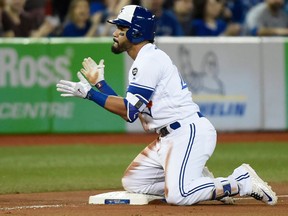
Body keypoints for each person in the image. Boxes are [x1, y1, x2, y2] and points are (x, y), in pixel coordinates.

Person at [56, 5, 278, 206]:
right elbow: (128, 110)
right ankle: (204, 184)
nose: (115, 32)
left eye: (121, 27)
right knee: (134, 182)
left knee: (177, 195)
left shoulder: (149, 61)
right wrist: (100, 84)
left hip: (187, 132)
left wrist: (89, 94)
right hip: (168, 137)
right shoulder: (145, 60)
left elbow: (130, 112)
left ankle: (240, 181)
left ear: (136, 31)